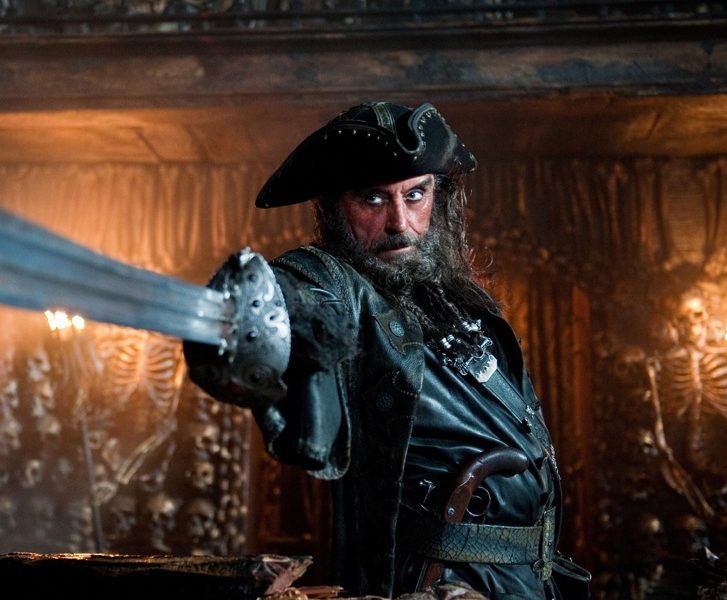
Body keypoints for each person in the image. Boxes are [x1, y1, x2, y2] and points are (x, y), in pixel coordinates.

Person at [184, 102, 589, 599]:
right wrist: (268, 311)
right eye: (372, 199)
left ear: (438, 196)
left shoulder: (458, 300)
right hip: (436, 584)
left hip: (524, 581)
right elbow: (298, 296)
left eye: (415, 194)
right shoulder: (334, 282)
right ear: (333, 207)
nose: (400, 222)